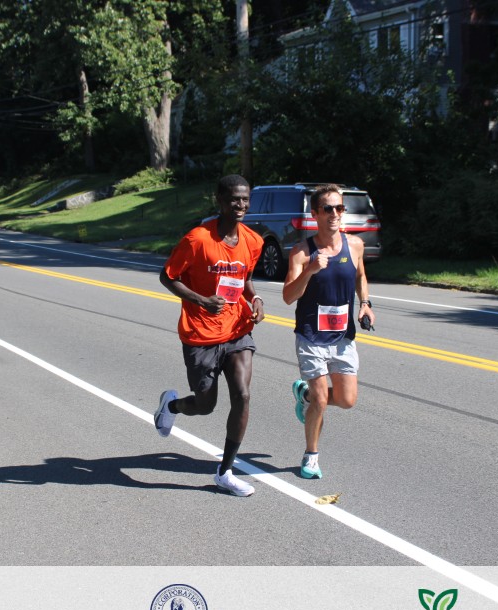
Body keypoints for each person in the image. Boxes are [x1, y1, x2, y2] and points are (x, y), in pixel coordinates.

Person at [153, 174, 265, 497]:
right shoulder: (197, 239)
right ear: (220, 200)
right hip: (200, 331)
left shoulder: (253, 241)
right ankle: (172, 406)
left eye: (245, 199)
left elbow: (244, 279)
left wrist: (255, 299)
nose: (241, 205)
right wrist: (201, 300)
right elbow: (167, 276)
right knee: (205, 405)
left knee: (243, 395)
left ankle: (225, 471)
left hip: (237, 328)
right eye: (234, 199)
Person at [282, 183, 374, 479]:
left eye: (339, 208)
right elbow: (288, 296)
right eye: (328, 209)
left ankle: (305, 396)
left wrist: (365, 304)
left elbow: (360, 276)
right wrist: (310, 269)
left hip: (342, 336)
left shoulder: (355, 245)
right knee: (322, 399)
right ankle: (311, 455)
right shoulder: (301, 252)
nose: (335, 214)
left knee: (347, 400)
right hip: (311, 336)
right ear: (315, 214)